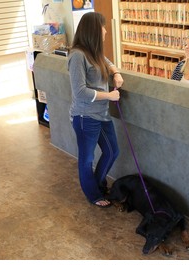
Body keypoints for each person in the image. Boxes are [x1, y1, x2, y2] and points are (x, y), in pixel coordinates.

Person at [68, 12, 124, 208]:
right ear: (93, 29)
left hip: (101, 114)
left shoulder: (93, 52)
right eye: (103, 26)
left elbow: (106, 62)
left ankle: (99, 186)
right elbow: (80, 92)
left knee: (112, 151)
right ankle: (93, 195)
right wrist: (108, 96)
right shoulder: (77, 55)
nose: (106, 30)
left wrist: (115, 72)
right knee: (87, 159)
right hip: (85, 116)